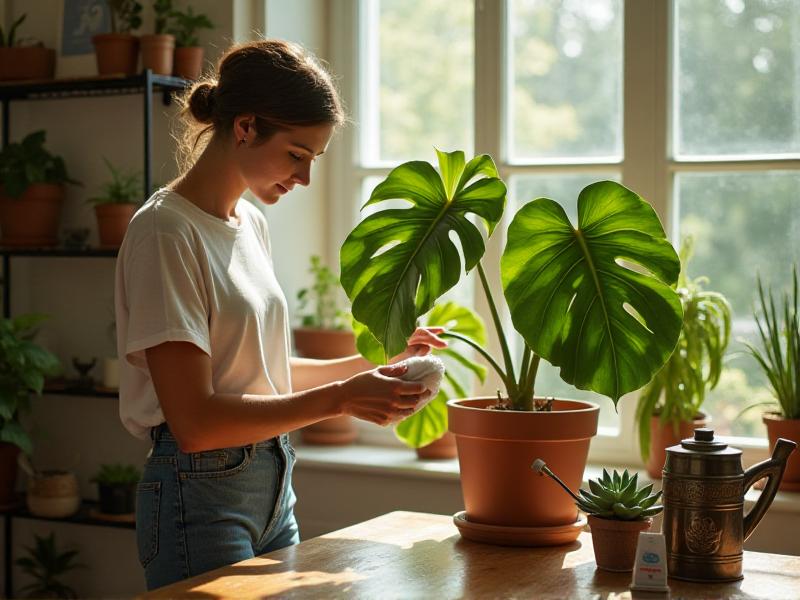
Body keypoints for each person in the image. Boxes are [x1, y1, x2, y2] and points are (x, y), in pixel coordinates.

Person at [114, 39, 445, 591]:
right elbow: (194, 423)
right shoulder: (165, 231)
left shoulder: (249, 223)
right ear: (244, 127)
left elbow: (262, 375)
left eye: (313, 160)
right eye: (297, 155)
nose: (305, 178)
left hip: (274, 486)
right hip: (199, 495)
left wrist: (373, 363)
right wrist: (342, 399)